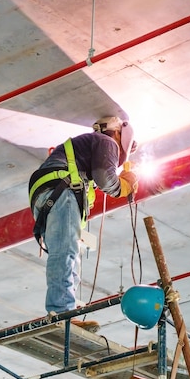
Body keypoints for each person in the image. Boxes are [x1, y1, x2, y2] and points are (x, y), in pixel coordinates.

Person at [28, 116, 138, 332]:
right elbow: (104, 177)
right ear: (119, 134)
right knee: (66, 252)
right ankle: (61, 312)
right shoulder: (106, 142)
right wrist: (123, 186)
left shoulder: (86, 148)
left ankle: (65, 311)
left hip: (47, 194)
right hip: (60, 190)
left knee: (67, 253)